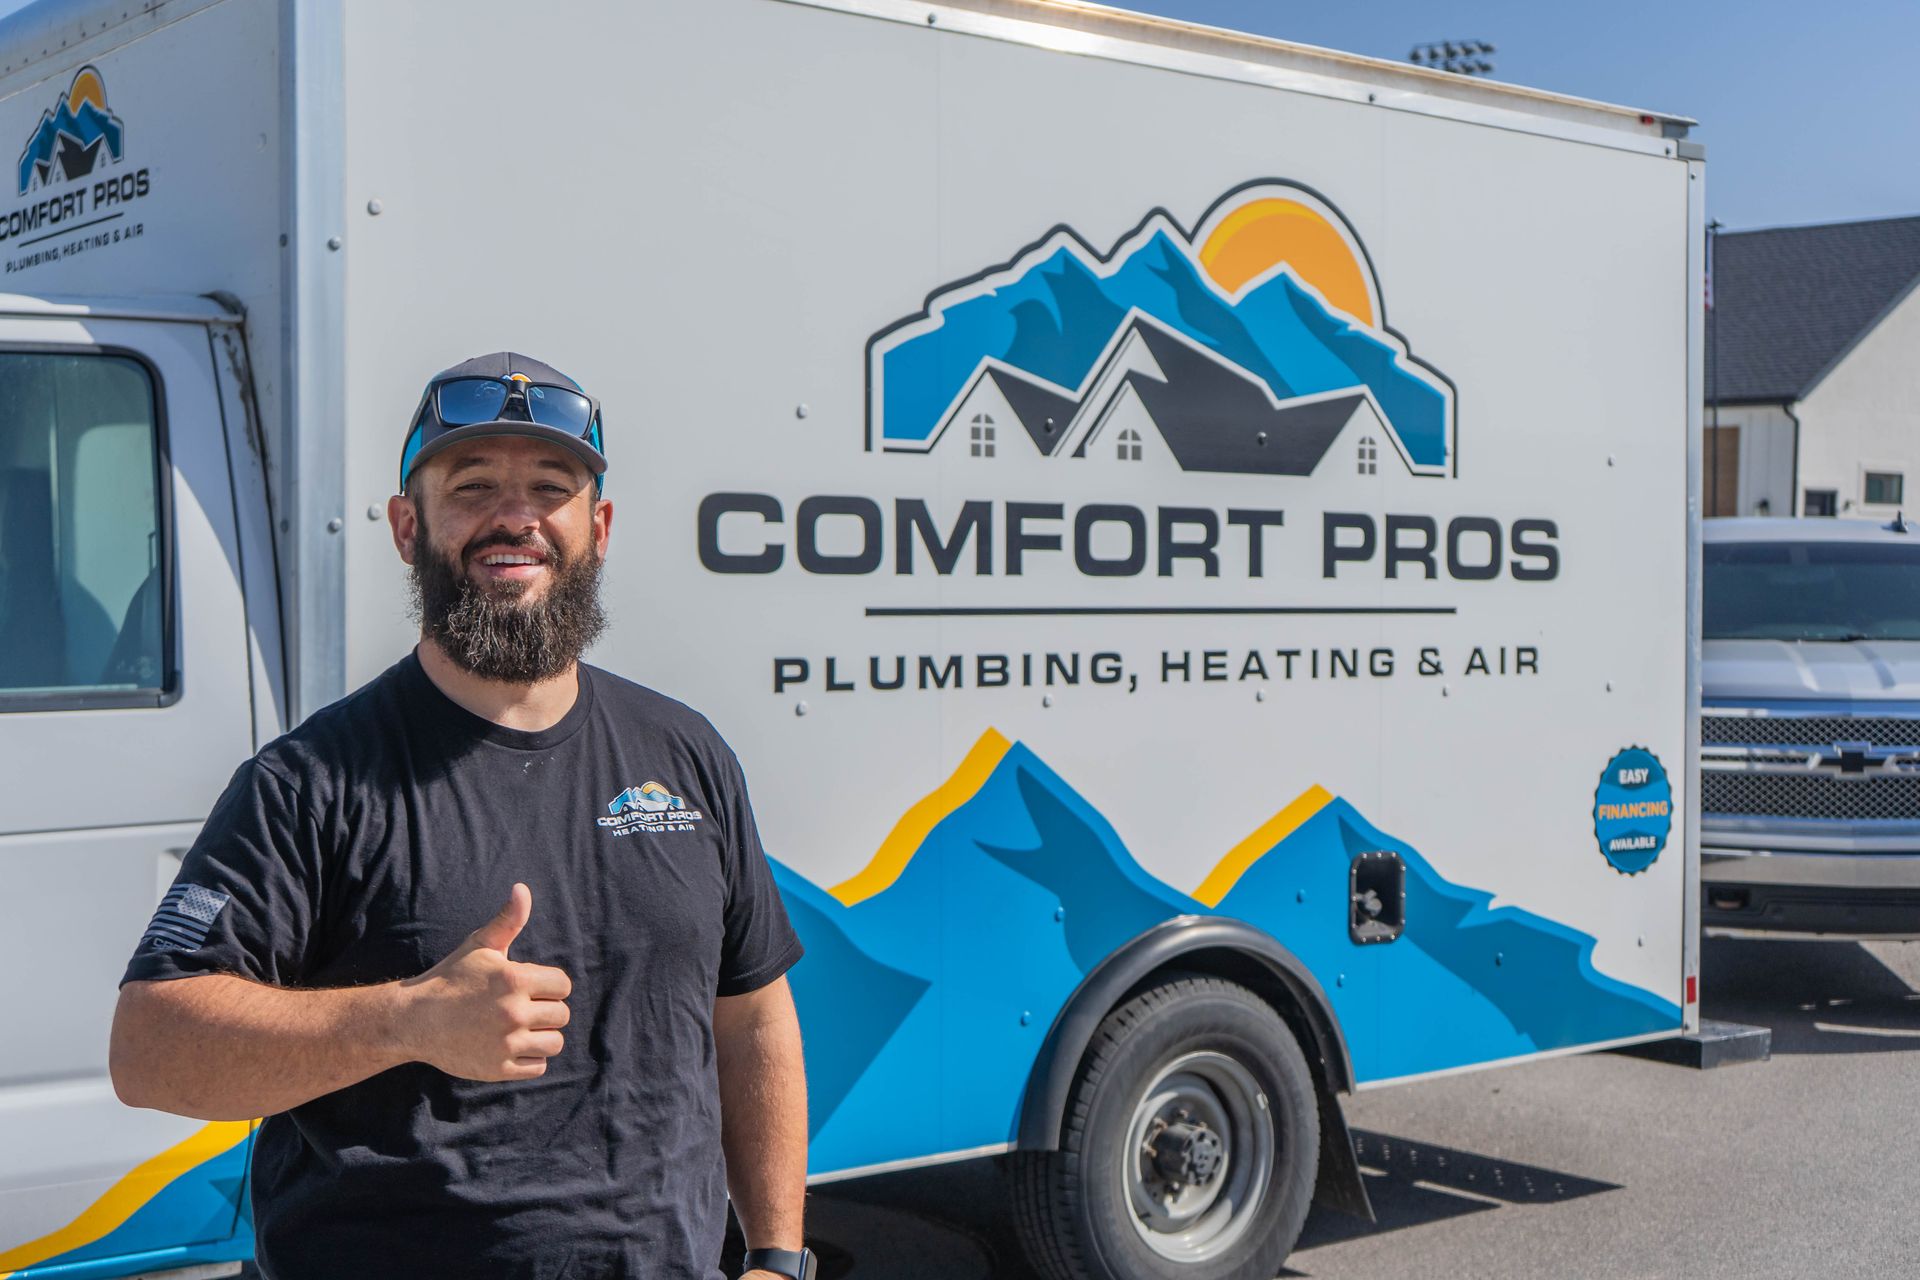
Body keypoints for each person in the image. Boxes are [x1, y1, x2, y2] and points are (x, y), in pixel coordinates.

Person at [109, 353, 814, 1280]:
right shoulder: (309, 783)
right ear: (408, 528)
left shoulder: (685, 754)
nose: (514, 517)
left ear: (597, 528)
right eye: (472, 485)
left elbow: (753, 1019)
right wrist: (405, 1022)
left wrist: (777, 1255)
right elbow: (150, 1050)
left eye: (550, 488)